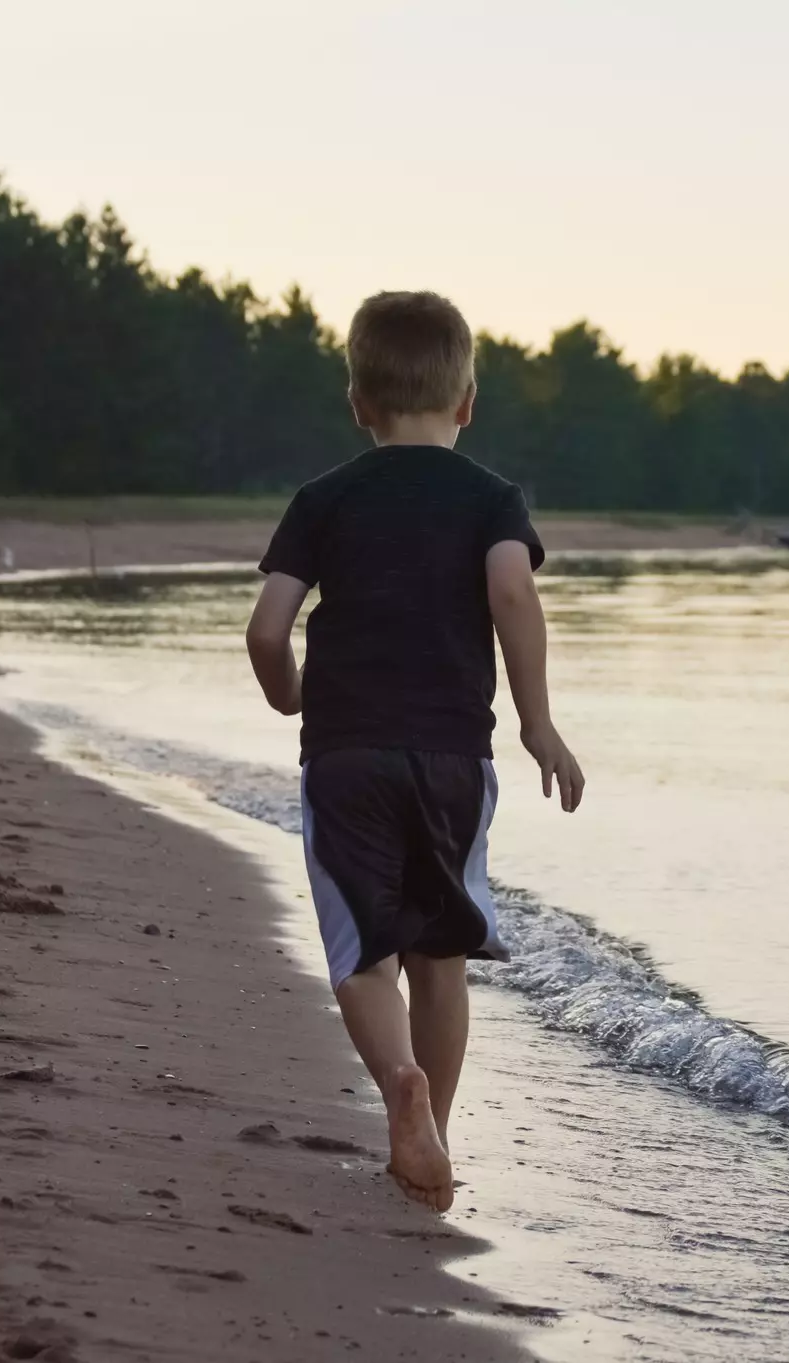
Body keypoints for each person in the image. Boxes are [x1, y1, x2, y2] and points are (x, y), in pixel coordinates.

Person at [244, 290, 585, 1213]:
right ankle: (435, 1128)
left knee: (363, 952)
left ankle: (399, 1081)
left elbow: (269, 627)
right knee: (441, 954)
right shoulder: (492, 500)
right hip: (452, 759)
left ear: (359, 401)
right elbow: (513, 594)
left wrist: (290, 695)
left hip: (347, 754)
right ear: (467, 401)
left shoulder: (324, 499)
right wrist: (537, 719)